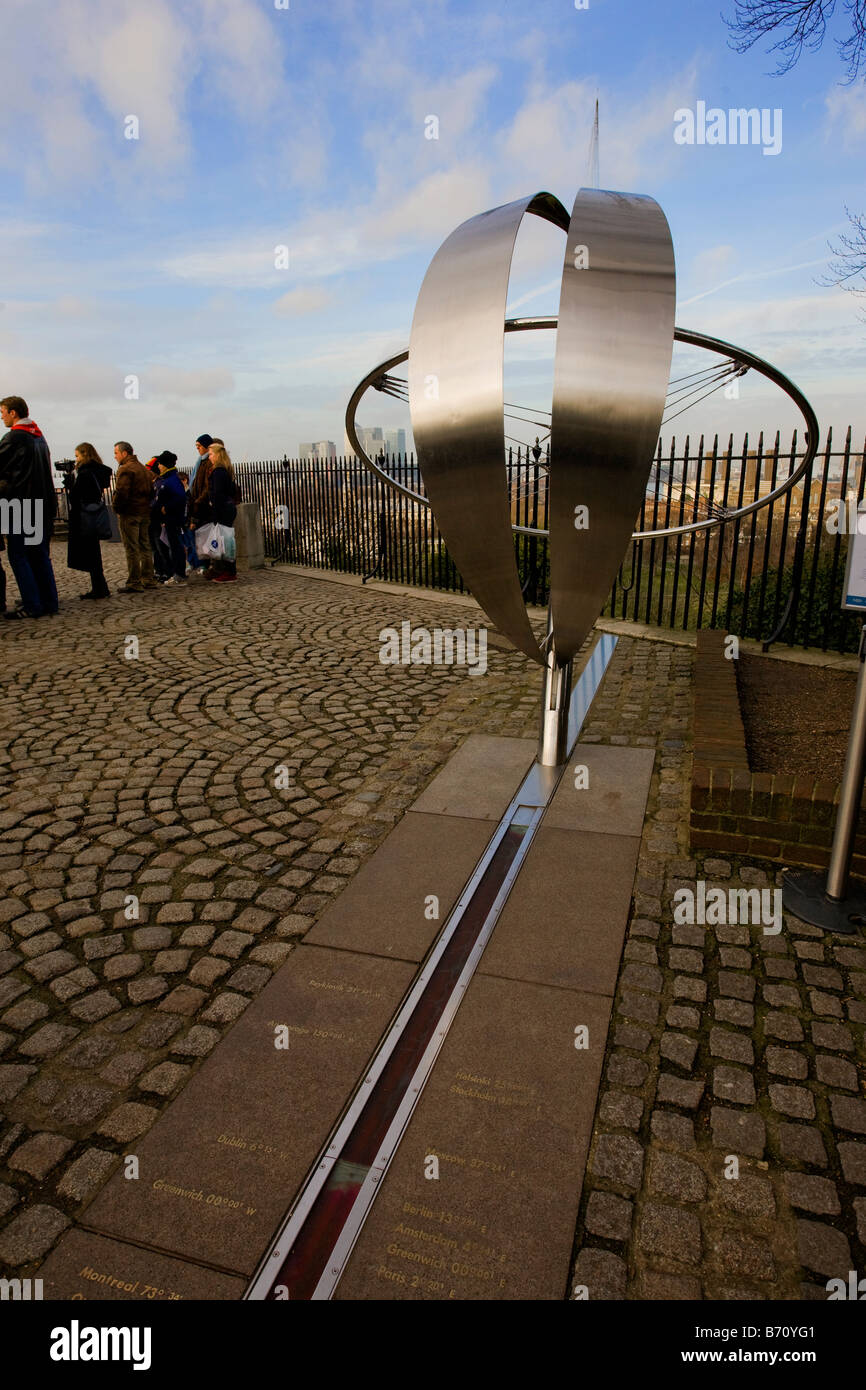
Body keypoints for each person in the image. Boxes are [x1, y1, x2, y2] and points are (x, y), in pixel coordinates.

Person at [0, 395, 59, 619]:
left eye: (3, 412)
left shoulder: (14, 437)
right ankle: (49, 601)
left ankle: (32, 604)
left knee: (18, 555)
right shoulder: (39, 437)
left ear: (13, 413)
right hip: (41, 504)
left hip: (18, 504)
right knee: (39, 554)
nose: (2, 417)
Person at [66, 442, 113, 599]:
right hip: (93, 513)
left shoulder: (85, 473)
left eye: (77, 455)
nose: (76, 459)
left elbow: (76, 496)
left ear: (84, 454)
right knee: (94, 553)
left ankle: (99, 588)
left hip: (84, 516)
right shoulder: (98, 471)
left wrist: (71, 485)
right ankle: (100, 586)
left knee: (91, 554)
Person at [112, 442, 157, 593]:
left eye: (116, 453)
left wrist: (117, 508)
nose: (115, 456)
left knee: (132, 548)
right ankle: (148, 579)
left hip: (130, 513)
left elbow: (122, 492)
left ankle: (134, 581)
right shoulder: (143, 469)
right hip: (144, 512)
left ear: (124, 453)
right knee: (145, 546)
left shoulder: (126, 469)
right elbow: (152, 492)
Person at [202, 442, 238, 582]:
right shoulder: (224, 470)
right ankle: (226, 570)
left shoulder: (218, 472)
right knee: (225, 541)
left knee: (225, 542)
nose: (209, 457)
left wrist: (215, 513)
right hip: (226, 508)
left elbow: (217, 495)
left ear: (217, 455)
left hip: (222, 510)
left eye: (210, 454)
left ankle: (229, 572)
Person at [151, 451, 187, 585]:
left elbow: (180, 497)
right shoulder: (170, 479)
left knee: (175, 546)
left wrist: (166, 507)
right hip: (170, 518)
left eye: (159, 463)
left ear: (165, 465)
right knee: (174, 545)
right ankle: (178, 573)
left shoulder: (171, 480)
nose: (158, 466)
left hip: (172, 518)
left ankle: (179, 575)